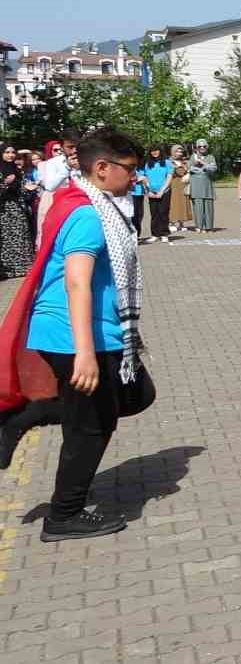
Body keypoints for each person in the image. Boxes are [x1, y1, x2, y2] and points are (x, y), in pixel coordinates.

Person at [7, 129, 145, 541]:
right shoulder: (88, 213)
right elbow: (77, 283)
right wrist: (85, 352)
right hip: (75, 333)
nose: (135, 178)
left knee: (137, 393)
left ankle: (18, 419)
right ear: (101, 168)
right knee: (91, 427)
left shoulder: (89, 201)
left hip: (93, 330)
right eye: (130, 169)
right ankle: (64, 514)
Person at [0, 146, 35, 278]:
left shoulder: (16, 170)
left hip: (18, 208)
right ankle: (8, 270)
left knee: (21, 236)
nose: (11, 155)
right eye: (7, 152)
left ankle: (22, 268)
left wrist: (28, 188)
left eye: (13, 152)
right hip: (4, 210)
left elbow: (21, 190)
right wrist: (6, 183)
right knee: (7, 240)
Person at [140, 148, 173, 245]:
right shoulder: (147, 164)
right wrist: (148, 191)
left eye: (156, 150)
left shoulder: (167, 162)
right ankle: (155, 234)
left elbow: (169, 177)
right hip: (151, 192)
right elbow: (144, 178)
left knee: (163, 212)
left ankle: (164, 234)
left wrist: (162, 191)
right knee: (154, 214)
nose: (154, 152)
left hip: (164, 191)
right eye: (152, 150)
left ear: (160, 151)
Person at [187, 139, 218, 232]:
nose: (202, 148)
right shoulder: (193, 157)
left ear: (207, 147)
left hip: (207, 185)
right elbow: (189, 168)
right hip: (196, 185)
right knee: (198, 207)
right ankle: (199, 226)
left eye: (204, 146)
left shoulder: (210, 157)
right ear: (197, 147)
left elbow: (214, 168)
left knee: (208, 206)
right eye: (200, 146)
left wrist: (204, 164)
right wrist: (196, 164)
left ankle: (208, 226)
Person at [167, 145, 192, 232]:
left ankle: (181, 223)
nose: (179, 153)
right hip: (173, 184)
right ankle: (171, 223)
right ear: (173, 152)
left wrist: (187, 172)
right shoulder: (168, 162)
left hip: (183, 184)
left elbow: (188, 171)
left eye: (181, 152)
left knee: (183, 203)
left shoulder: (184, 162)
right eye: (177, 151)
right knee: (173, 203)